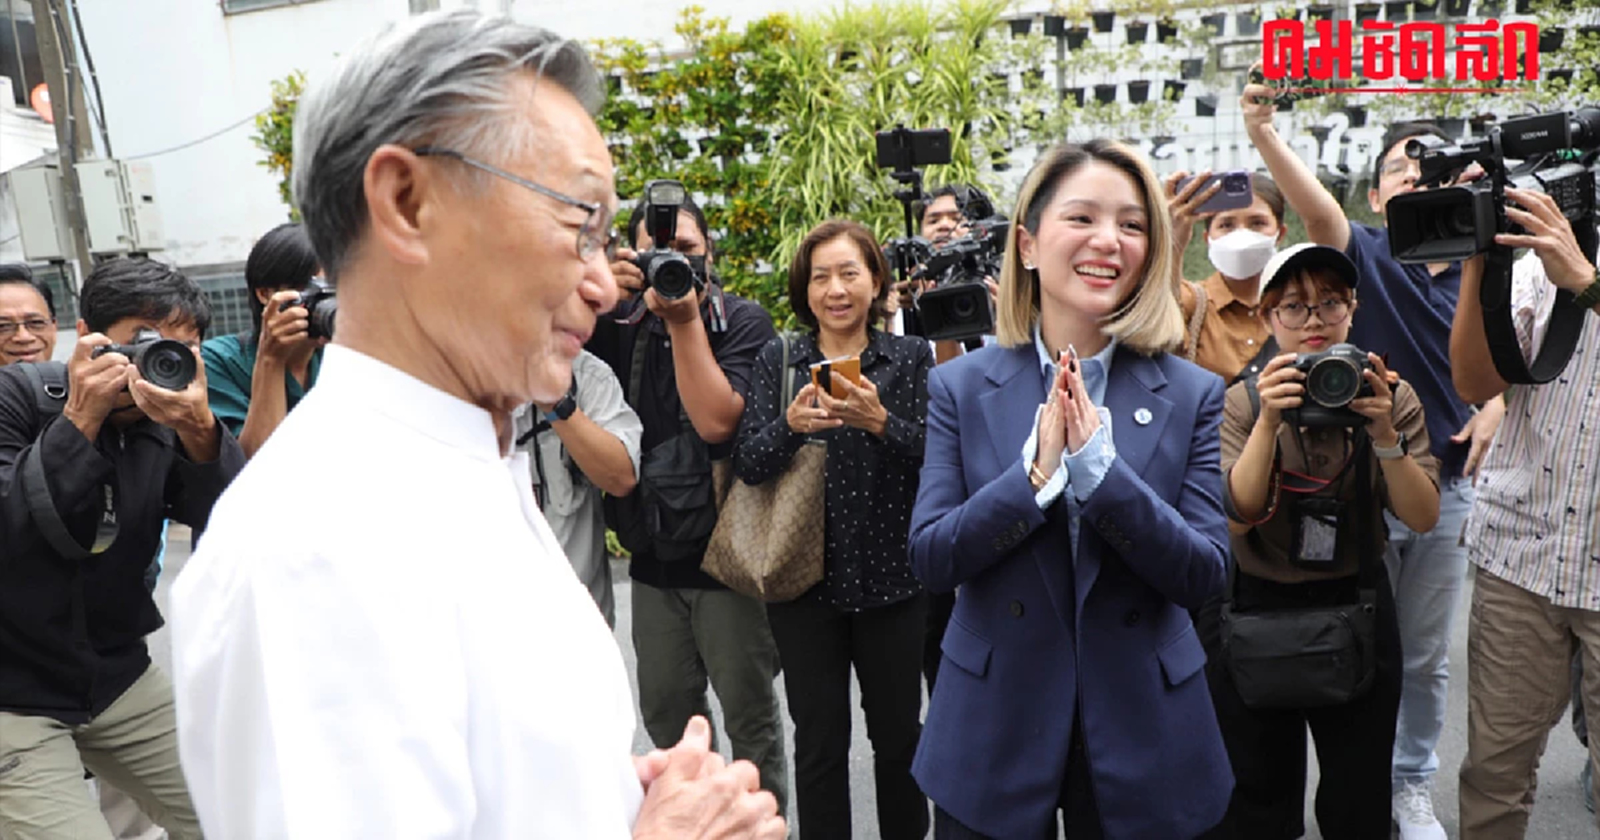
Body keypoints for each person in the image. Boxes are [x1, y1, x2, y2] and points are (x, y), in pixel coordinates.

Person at [169, 11, 784, 839]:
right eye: (579, 225)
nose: (606, 284)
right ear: (406, 201)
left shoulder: (461, 461)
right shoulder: (316, 550)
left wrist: (612, 798)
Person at [907, 139, 1232, 838]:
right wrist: (1030, 480)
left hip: (1147, 723)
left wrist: (1102, 476)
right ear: (1026, 244)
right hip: (993, 722)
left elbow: (1205, 573)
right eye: (1082, 218)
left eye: (1134, 224)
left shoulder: (1194, 391)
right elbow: (932, 558)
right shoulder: (959, 387)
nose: (1108, 241)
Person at [1241, 81, 1505, 839]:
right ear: (1379, 190)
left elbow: (1533, 353)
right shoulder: (1369, 256)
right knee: (1349, 641)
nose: (1416, 179)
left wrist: (1499, 401)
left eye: (1432, 169)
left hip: (1439, 483)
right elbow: (1319, 216)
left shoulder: (1487, 265)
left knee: (1421, 655)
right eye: (1399, 168)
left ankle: (1408, 786)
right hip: (1348, 482)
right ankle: (1352, 785)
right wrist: (1264, 134)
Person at [0, 257, 241, 840]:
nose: (163, 361)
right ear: (87, 336)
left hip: (116, 672)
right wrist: (81, 417)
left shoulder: (166, 419)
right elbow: (11, 531)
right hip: (10, 692)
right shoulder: (18, 397)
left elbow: (232, 523)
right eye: (146, 342)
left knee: (238, 815)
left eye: (183, 348)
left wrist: (202, 432)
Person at [1210, 243, 1440, 838]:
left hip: (1356, 602)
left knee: (1358, 794)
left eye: (1330, 304)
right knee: (1258, 791)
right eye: (1294, 307)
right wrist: (1267, 419)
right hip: (1258, 605)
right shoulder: (1243, 399)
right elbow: (1239, 513)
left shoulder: (1389, 394)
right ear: (1267, 317)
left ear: (1353, 309)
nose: (1314, 321)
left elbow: (1422, 516)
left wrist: (1385, 432)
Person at [733, 219, 933, 839]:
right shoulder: (782, 357)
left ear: (876, 282)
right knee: (819, 747)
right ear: (805, 287)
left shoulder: (910, 357)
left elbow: (936, 458)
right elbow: (749, 462)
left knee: (900, 743)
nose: (836, 289)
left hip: (893, 582)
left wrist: (881, 423)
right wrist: (791, 425)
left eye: (850, 273)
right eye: (821, 276)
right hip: (803, 585)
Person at [592, 194, 789, 811]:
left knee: (751, 724)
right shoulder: (615, 322)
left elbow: (716, 423)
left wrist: (683, 319)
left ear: (712, 254)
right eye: (658, 254)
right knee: (669, 722)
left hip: (729, 559)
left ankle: (763, 828)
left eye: (687, 251)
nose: (672, 267)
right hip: (652, 561)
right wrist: (594, 285)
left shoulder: (745, 322)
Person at [1450, 187, 1600, 837]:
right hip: (1523, 552)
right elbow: (1476, 382)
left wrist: (1588, 284)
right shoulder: (1548, 243)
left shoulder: (1571, 261)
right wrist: (1479, 263)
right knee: (1494, 771)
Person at [513, 347, 641, 627]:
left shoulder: (588, 375)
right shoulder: (452, 384)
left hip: (578, 621)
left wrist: (557, 404)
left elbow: (621, 477)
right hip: (486, 627)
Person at [201, 221, 327, 459]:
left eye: (331, 290)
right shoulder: (219, 360)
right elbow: (254, 463)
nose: (323, 302)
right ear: (264, 293)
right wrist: (271, 358)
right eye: (311, 290)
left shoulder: (344, 354)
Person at [1163, 170, 1286, 382]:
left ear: (1280, 234)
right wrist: (1170, 243)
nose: (1241, 234)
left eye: (1257, 223)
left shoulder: (1301, 306)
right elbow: (1153, 321)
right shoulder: (1191, 303)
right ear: (1207, 238)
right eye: (1226, 224)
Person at [0, 264, 58, 365]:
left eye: (36, 323)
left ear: (54, 327)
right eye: (4, 326)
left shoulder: (75, 379)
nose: (23, 337)